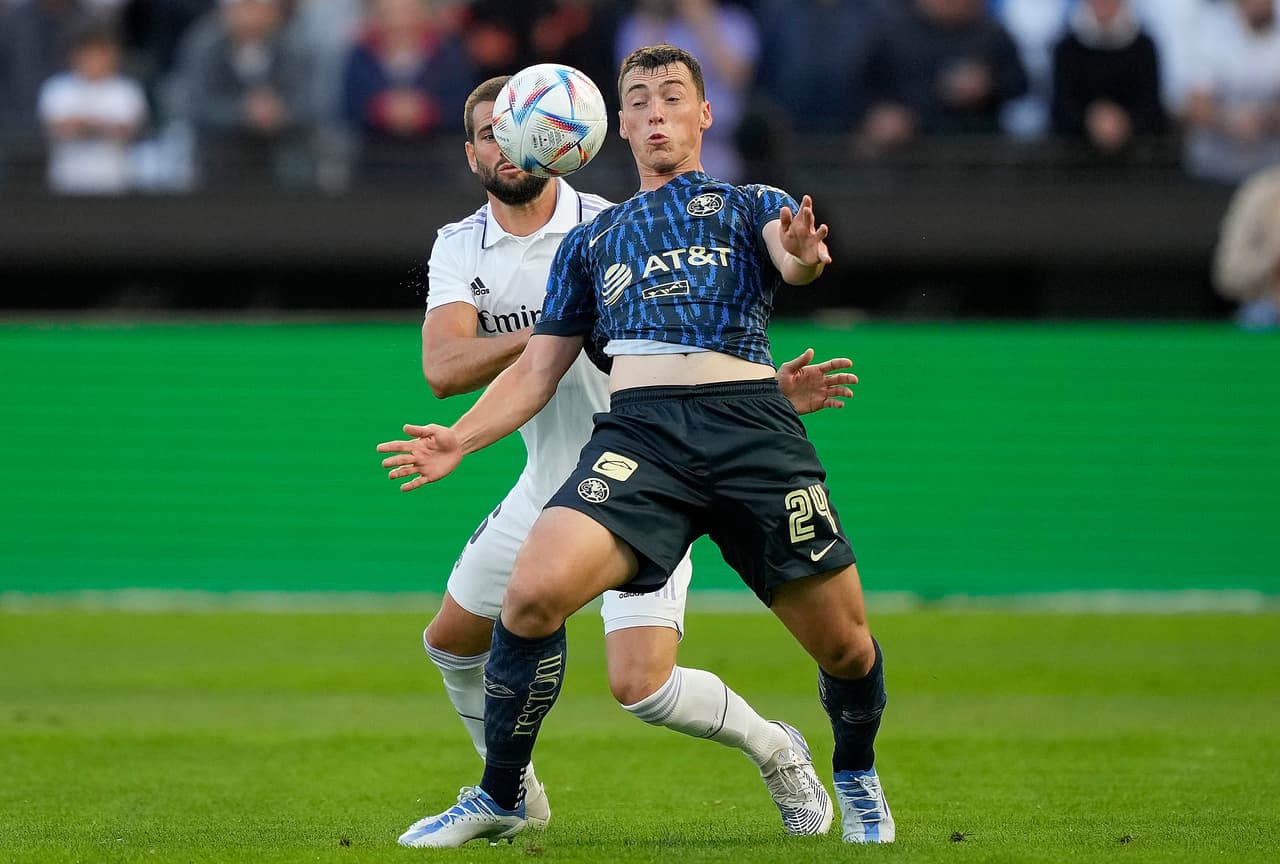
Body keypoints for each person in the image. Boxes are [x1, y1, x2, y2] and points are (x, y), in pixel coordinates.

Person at [378, 44, 893, 846]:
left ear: (703, 113)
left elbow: (792, 259)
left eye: (673, 98)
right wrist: (462, 440)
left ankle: (855, 771)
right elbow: (538, 369)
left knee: (846, 646)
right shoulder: (597, 241)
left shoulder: (746, 201)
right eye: (642, 101)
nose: (657, 113)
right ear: (618, 125)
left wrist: (802, 253)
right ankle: (503, 794)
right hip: (640, 442)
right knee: (532, 596)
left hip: (750, 432)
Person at [37, 17, 148, 193]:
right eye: (89, 52)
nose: (95, 59)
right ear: (75, 55)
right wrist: (102, 126)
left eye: (101, 52)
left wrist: (85, 125)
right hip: (67, 183)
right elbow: (58, 128)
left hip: (114, 183)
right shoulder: (57, 88)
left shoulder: (126, 90)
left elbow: (127, 130)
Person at [1049, 0, 1165, 157]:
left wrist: (1123, 123)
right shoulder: (1067, 49)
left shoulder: (1143, 47)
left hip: (1137, 159)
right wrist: (1092, 121)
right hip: (1077, 160)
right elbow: (1061, 106)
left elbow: (1151, 104)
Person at [1213, 162, 1280, 328]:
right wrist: (1272, 259)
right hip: (1267, 309)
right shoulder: (1260, 192)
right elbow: (1228, 276)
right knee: (1258, 317)